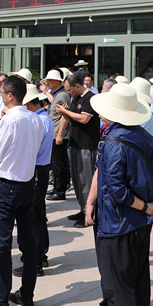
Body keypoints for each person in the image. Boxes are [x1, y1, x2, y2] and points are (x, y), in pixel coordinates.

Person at [87, 83, 153, 306]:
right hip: (140, 223)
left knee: (119, 288)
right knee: (138, 280)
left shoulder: (113, 142)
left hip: (118, 224)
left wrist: (145, 207)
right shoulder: (144, 136)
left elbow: (117, 190)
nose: (100, 114)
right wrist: (151, 204)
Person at [0, 75, 44, 306]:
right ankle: (27, 295)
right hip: (27, 184)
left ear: (10, 95)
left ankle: (0, 300)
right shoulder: (36, 119)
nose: (0, 96)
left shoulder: (10, 120)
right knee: (28, 243)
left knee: (3, 245)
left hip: (7, 185)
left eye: (1, 93)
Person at [14, 84, 53, 277]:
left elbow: (32, 148)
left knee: (33, 218)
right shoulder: (44, 118)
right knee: (38, 214)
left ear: (29, 104)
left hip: (36, 169)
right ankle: (41, 255)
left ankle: (36, 261)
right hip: (41, 169)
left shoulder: (38, 120)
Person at [57, 71, 101, 228]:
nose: (68, 93)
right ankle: (83, 209)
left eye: (69, 90)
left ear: (77, 86)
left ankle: (91, 213)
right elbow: (73, 119)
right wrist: (65, 112)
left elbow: (84, 118)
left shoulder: (90, 98)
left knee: (86, 180)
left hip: (87, 145)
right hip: (75, 144)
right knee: (77, 180)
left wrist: (65, 111)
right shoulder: (75, 98)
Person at [43, 68, 70, 201]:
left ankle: (60, 190)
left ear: (56, 81)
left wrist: (59, 135)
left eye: (49, 80)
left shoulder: (62, 95)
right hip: (55, 133)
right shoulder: (58, 94)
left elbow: (64, 116)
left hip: (58, 134)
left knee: (58, 164)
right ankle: (57, 188)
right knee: (56, 164)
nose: (47, 83)